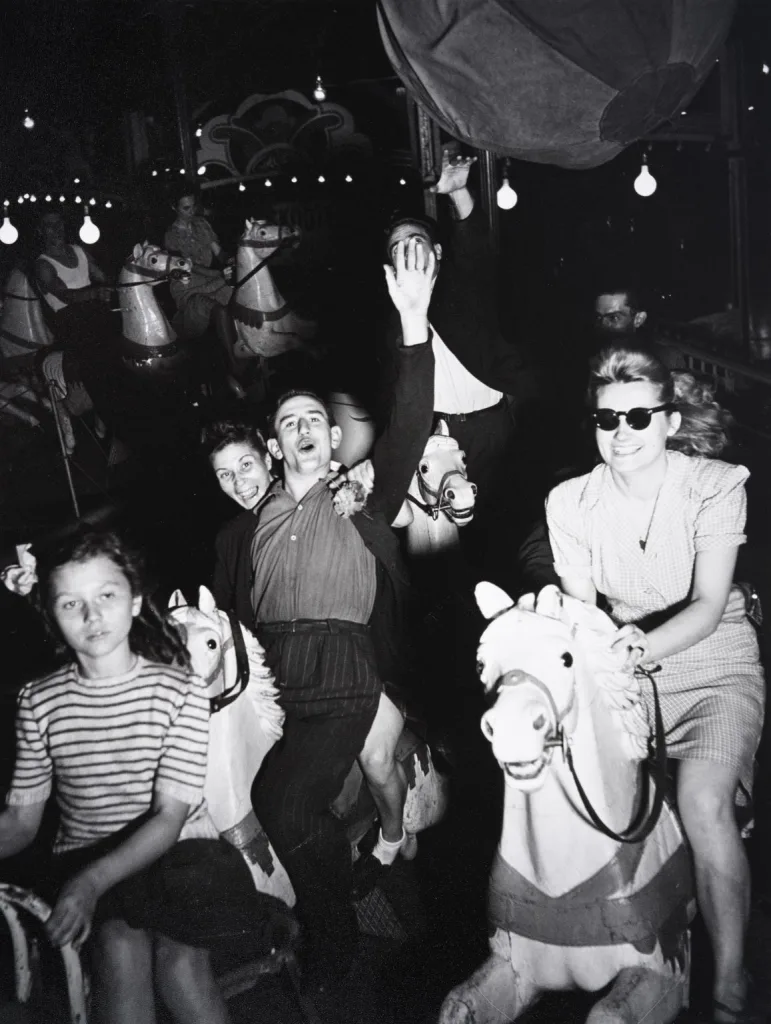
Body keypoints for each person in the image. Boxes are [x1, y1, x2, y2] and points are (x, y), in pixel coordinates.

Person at [545, 345, 765, 1024]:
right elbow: (582, 611)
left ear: (669, 421)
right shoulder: (569, 501)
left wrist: (633, 649)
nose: (621, 434)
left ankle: (729, 981)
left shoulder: (716, 483)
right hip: (625, 669)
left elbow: (705, 606)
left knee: (701, 803)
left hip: (714, 658)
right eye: (606, 420)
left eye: (639, 418)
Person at [243, 237, 435, 990]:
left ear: (331, 437)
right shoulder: (256, 519)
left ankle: (337, 935)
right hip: (271, 676)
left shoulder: (358, 500)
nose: (302, 428)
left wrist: (412, 327)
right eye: (288, 421)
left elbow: (408, 427)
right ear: (273, 442)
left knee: (284, 800)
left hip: (340, 669)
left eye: (314, 419)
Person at [0, 528, 272, 1024]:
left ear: (135, 601)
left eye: (106, 595)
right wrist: (86, 879)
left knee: (183, 966)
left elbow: (169, 819)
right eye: (70, 604)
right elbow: (20, 822)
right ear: (50, 614)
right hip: (92, 853)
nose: (91, 616)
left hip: (178, 852)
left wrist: (88, 884)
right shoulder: (38, 702)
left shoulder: (179, 689)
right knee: (120, 959)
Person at [203, 419, 415, 891]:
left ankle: (393, 835)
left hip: (353, 657)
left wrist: (356, 478)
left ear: (270, 455)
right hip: (279, 671)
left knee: (376, 756)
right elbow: (227, 616)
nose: (240, 482)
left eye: (245, 465)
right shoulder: (232, 537)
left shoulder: (323, 490)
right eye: (224, 475)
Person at [382, 146, 534, 575]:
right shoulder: (388, 323)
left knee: (504, 530)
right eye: (398, 248)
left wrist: (459, 193)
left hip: (494, 427)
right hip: (436, 437)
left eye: (418, 243)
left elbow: (476, 251)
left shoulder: (461, 291)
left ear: (439, 254)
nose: (409, 253)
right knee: (447, 547)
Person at [164, 191, 233, 340]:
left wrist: (231, 260)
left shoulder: (201, 223)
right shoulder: (171, 235)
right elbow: (191, 266)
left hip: (212, 279)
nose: (192, 212)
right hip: (188, 286)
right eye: (186, 208)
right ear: (174, 208)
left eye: (193, 206)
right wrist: (219, 274)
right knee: (217, 308)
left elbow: (218, 251)